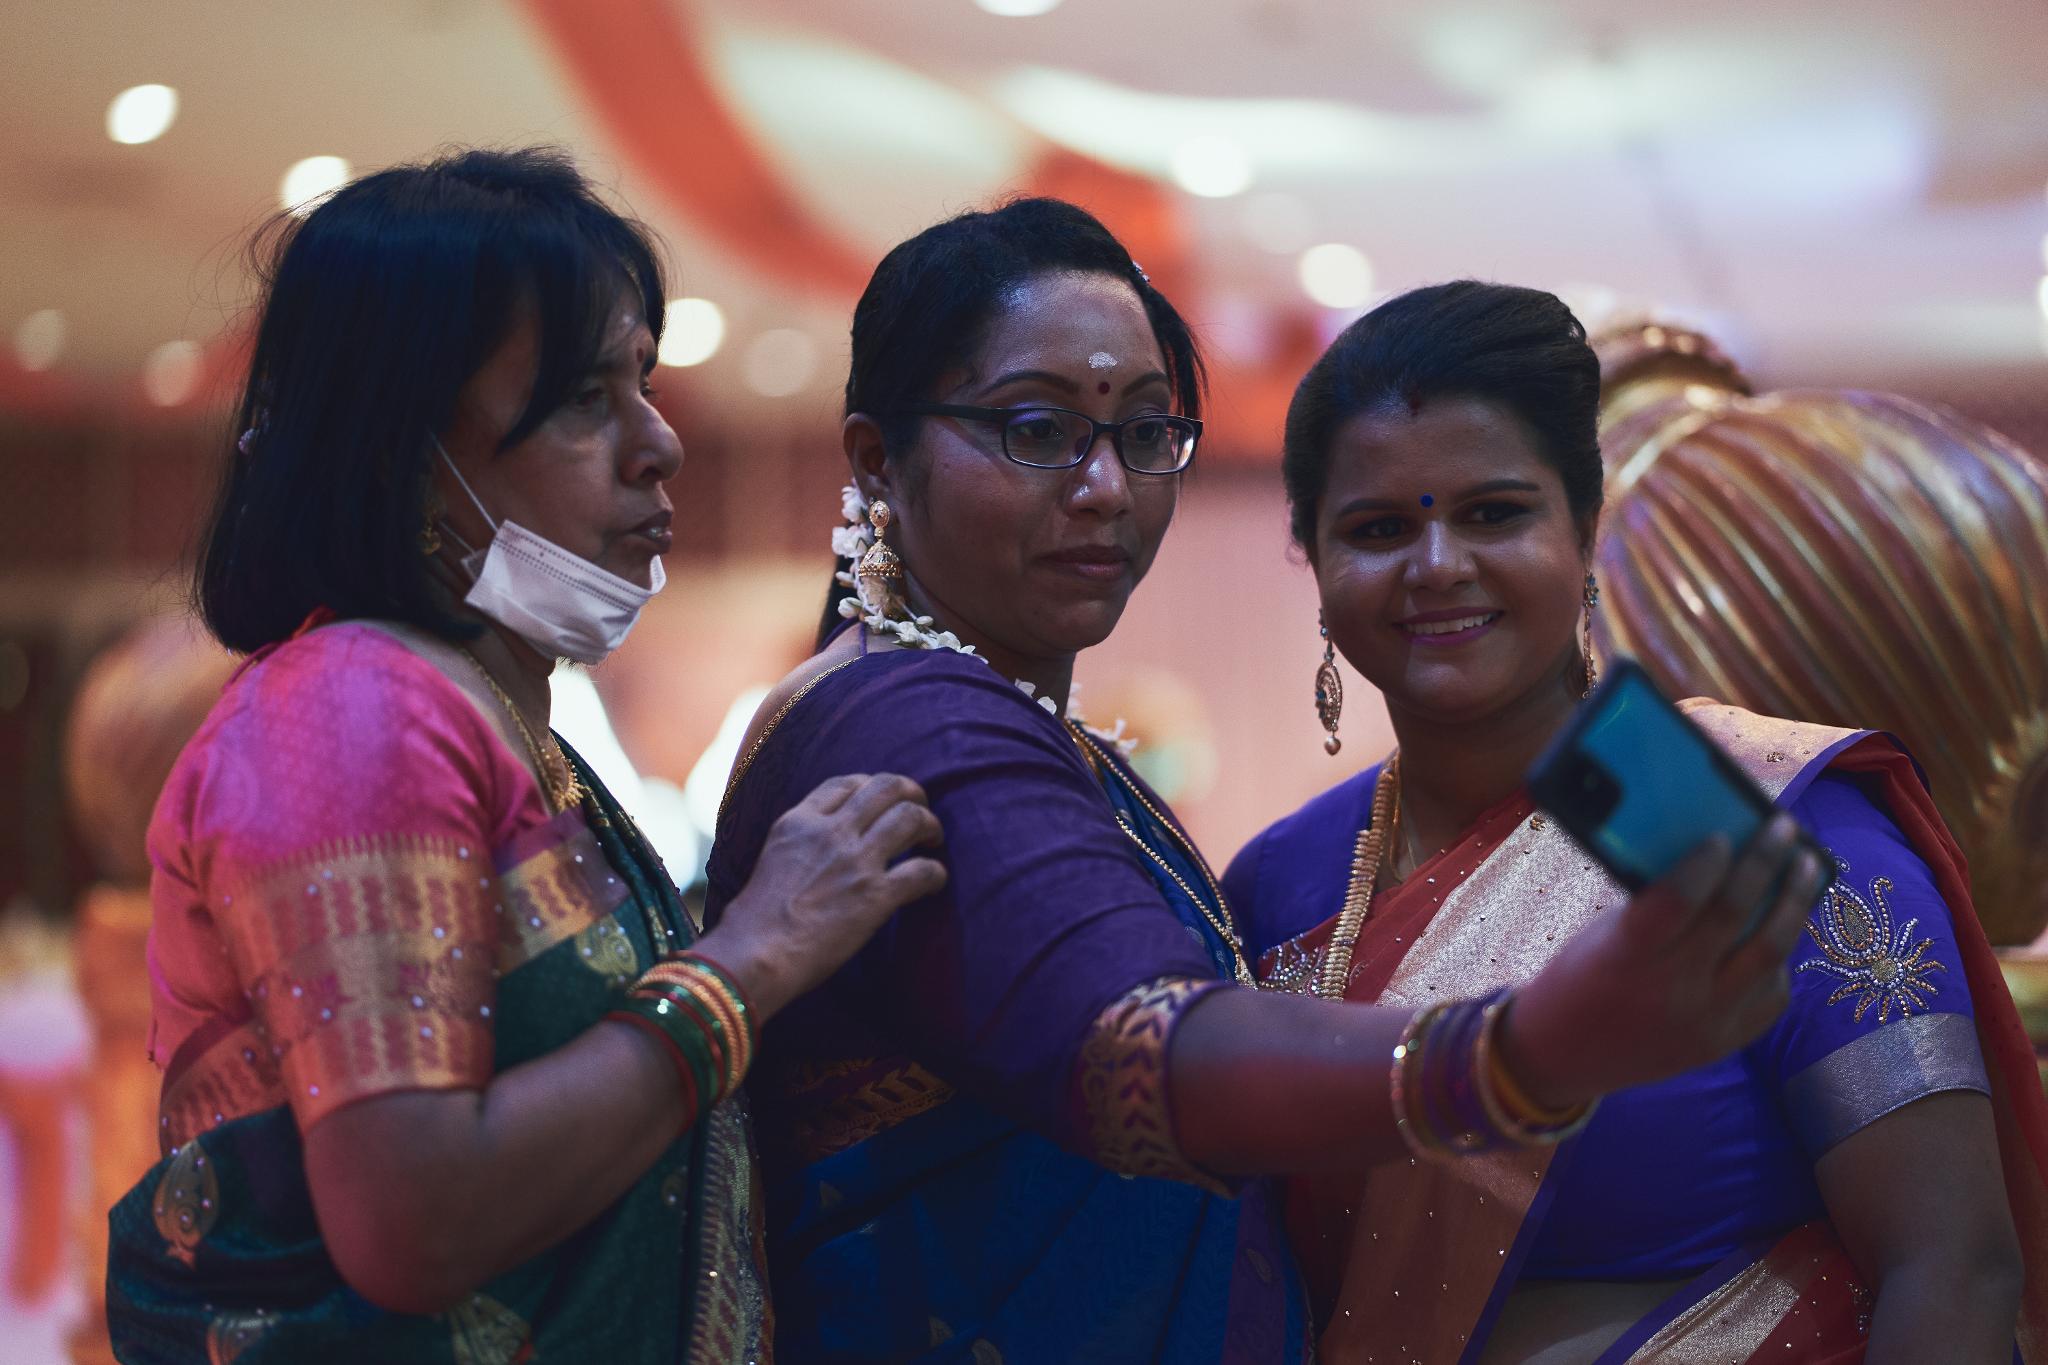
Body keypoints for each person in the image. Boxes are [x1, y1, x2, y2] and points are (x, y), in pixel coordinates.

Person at [704, 199, 1827, 1363]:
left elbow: (1930, 1243)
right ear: (876, 461)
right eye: (1036, 430)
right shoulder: (938, 735)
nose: (1105, 487)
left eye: (1144, 431)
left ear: (1584, 531)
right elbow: (1144, 1056)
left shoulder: (1758, 796)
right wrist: (1520, 1055)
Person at [105, 147, 947, 1364]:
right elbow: (415, 1218)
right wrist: (751, 961)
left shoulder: (496, 717)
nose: (657, 442)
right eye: (580, 399)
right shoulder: (354, 713)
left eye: (641, 381)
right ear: (398, 449)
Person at [1225, 280, 2048, 1362]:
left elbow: (1951, 1265)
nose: (1437, 566)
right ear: (1317, 565)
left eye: (1494, 513)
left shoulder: (1751, 818)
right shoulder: (1277, 883)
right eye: (1377, 529)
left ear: (1584, 531)